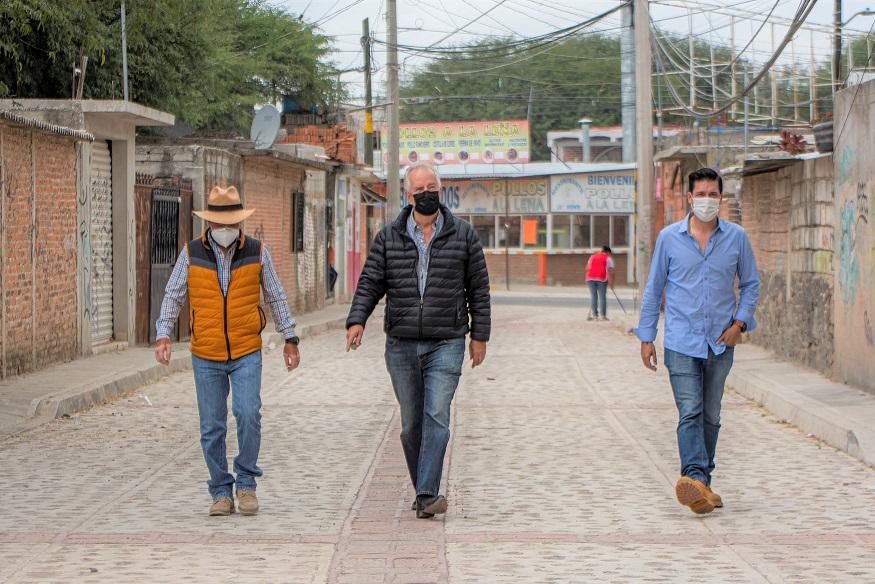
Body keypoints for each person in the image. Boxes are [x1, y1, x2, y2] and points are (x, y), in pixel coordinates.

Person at [345, 162, 491, 519]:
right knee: (412, 423)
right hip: (402, 342)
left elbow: (479, 288)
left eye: (432, 188)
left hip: (447, 340)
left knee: (437, 415)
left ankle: (427, 494)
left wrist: (479, 336)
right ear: (408, 196)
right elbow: (370, 282)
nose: (427, 194)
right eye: (420, 189)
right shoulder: (389, 236)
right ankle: (423, 491)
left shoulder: (463, 235)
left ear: (439, 191)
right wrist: (357, 319)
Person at [154, 185, 301, 517]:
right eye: (219, 223)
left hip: (247, 348)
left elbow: (275, 295)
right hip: (205, 352)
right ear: (209, 223)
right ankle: (221, 490)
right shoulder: (190, 253)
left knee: (248, 413)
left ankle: (246, 483)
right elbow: (173, 295)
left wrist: (289, 337)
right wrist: (163, 335)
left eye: (231, 223)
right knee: (212, 426)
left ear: (240, 223)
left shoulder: (257, 251)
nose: (225, 230)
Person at [636, 168, 760, 515]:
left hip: (721, 341)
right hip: (680, 341)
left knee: (711, 414)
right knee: (690, 410)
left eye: (713, 194)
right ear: (690, 199)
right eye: (701, 194)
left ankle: (701, 484)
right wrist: (647, 337)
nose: (707, 200)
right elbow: (654, 287)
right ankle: (692, 474)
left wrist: (740, 324)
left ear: (722, 198)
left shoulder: (736, 238)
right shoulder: (668, 238)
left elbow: (751, 285)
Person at [586, 245, 615, 321]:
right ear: (608, 252)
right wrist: (611, 283)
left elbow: (587, 268)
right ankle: (603, 315)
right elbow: (611, 272)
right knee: (602, 297)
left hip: (590, 278)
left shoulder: (592, 257)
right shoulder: (608, 258)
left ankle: (595, 315)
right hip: (602, 279)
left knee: (594, 296)